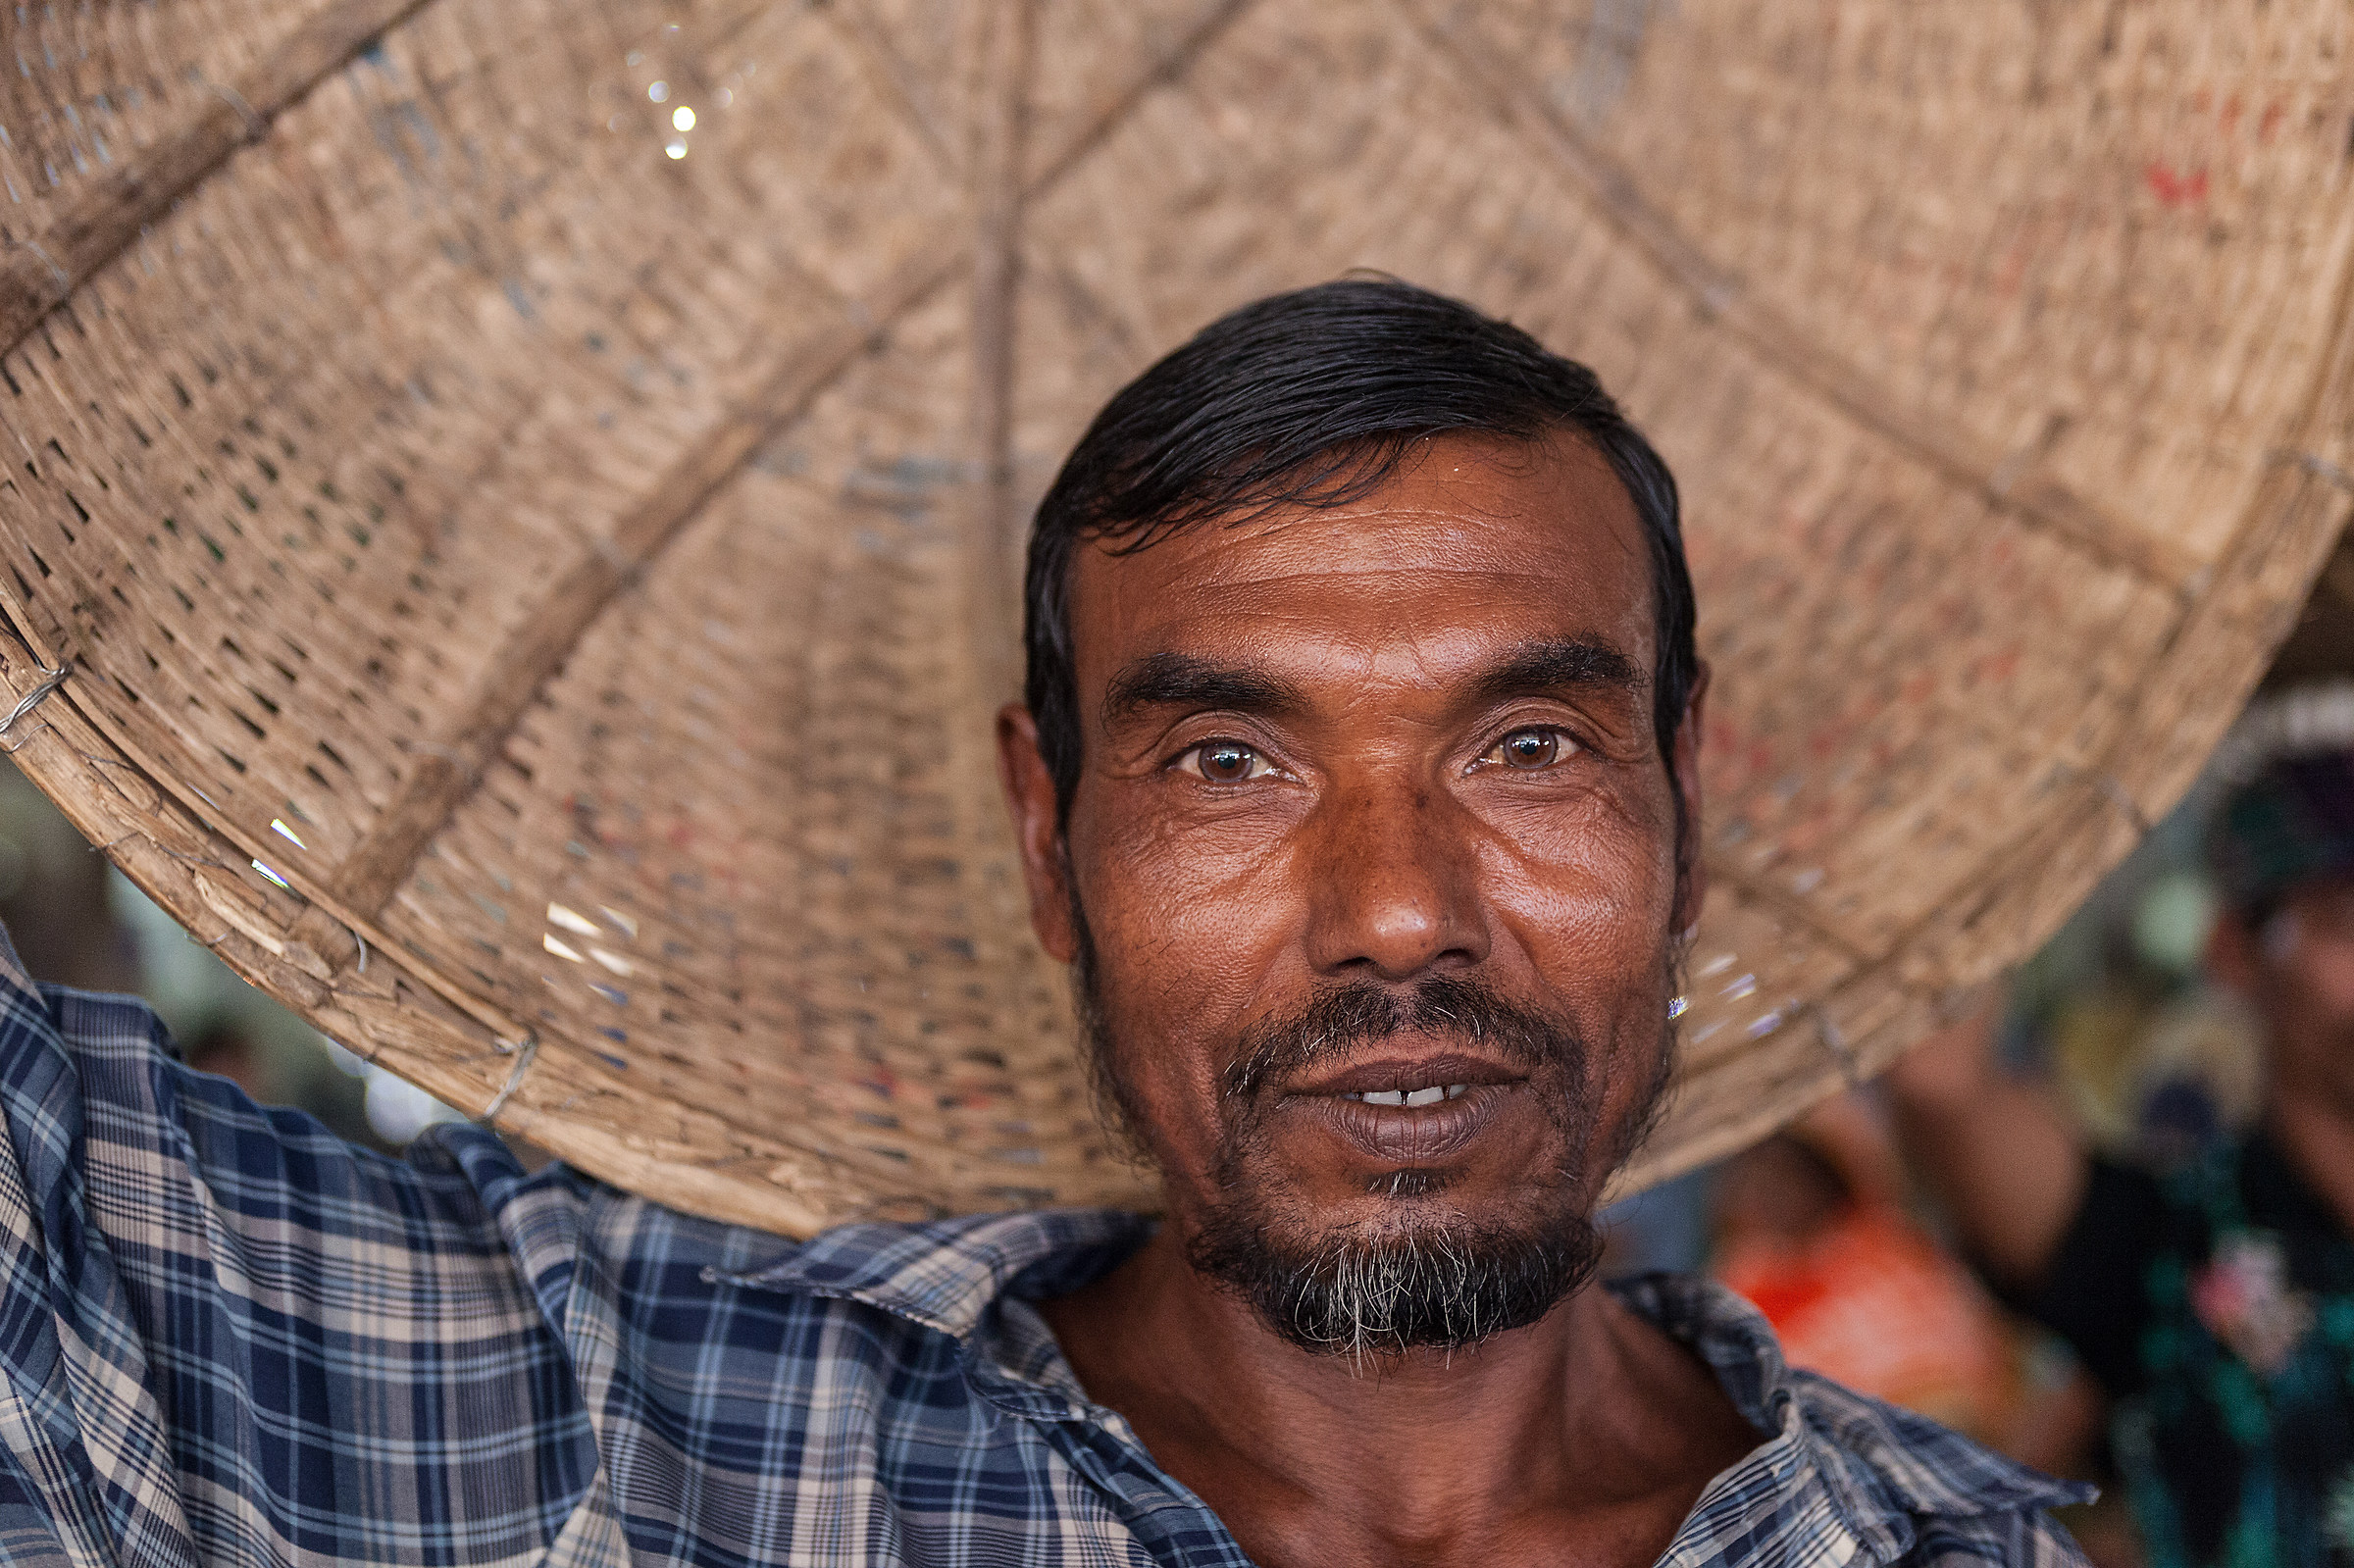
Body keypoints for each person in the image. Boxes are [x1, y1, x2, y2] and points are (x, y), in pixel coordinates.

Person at [0, 280, 2089, 1567]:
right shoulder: (599, 1421)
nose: (1394, 911)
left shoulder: (1944, 1549)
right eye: (1225, 764)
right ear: (1044, 832)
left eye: (1530, 745)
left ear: (1684, 796)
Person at [1891, 690, 2354, 1568]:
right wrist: (2007, 774)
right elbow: (1939, 1080)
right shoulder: (2164, 1245)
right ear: (2233, 950)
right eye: (2342, 918)